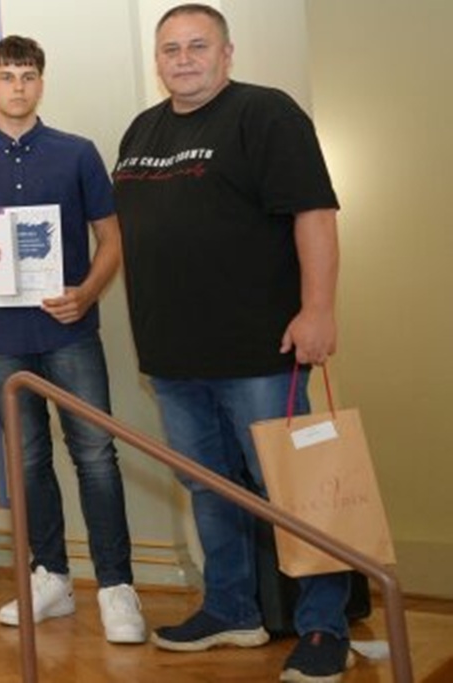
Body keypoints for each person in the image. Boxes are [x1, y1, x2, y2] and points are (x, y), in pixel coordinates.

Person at [112, 5, 348, 679]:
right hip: (173, 355)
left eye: (197, 46)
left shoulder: (266, 114)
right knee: (209, 488)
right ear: (156, 61)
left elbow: (315, 211)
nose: (182, 59)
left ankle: (324, 625)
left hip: (261, 351)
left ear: (227, 52)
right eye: (170, 49)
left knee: (296, 491)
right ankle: (231, 609)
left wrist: (318, 308)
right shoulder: (141, 130)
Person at [0, 36, 145, 643]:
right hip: (2, 335)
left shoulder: (78, 154)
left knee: (94, 456)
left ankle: (116, 587)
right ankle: (49, 576)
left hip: (70, 328)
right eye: (7, 76)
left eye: (28, 75)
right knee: (27, 461)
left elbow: (111, 239)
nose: (18, 86)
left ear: (41, 83)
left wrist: (85, 292)